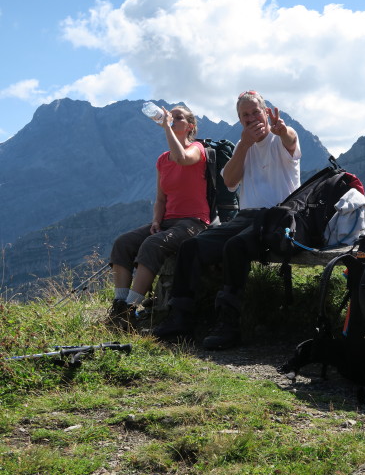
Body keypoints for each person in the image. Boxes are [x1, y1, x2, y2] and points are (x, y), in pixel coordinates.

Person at [152, 90, 301, 349]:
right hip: (246, 217)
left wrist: (281, 130)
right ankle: (180, 316)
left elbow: (291, 139)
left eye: (256, 111)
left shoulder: (280, 139)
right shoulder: (243, 146)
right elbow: (230, 181)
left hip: (279, 217)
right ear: (240, 120)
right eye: (245, 114)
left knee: (236, 246)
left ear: (266, 112)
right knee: (191, 246)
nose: (252, 118)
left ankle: (228, 323)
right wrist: (243, 144)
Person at [108, 105, 209, 329]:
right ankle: (119, 305)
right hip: (166, 221)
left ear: (190, 126)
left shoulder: (197, 149)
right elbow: (161, 198)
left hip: (194, 222)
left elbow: (182, 158)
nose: (172, 118)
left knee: (152, 244)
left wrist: (166, 127)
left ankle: (130, 309)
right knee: (123, 243)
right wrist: (156, 220)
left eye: (178, 117)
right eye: (170, 115)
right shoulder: (162, 160)